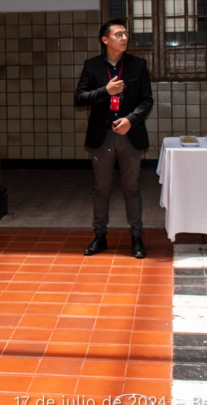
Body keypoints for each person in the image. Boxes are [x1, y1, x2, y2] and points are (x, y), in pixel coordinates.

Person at [75, 19, 153, 259]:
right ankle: (100, 236)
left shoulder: (138, 65)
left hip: (130, 135)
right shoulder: (93, 66)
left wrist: (131, 119)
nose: (124, 38)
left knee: (132, 188)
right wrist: (104, 92)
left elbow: (147, 100)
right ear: (105, 39)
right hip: (103, 136)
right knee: (102, 189)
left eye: (126, 34)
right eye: (118, 34)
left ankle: (137, 237)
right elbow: (79, 98)